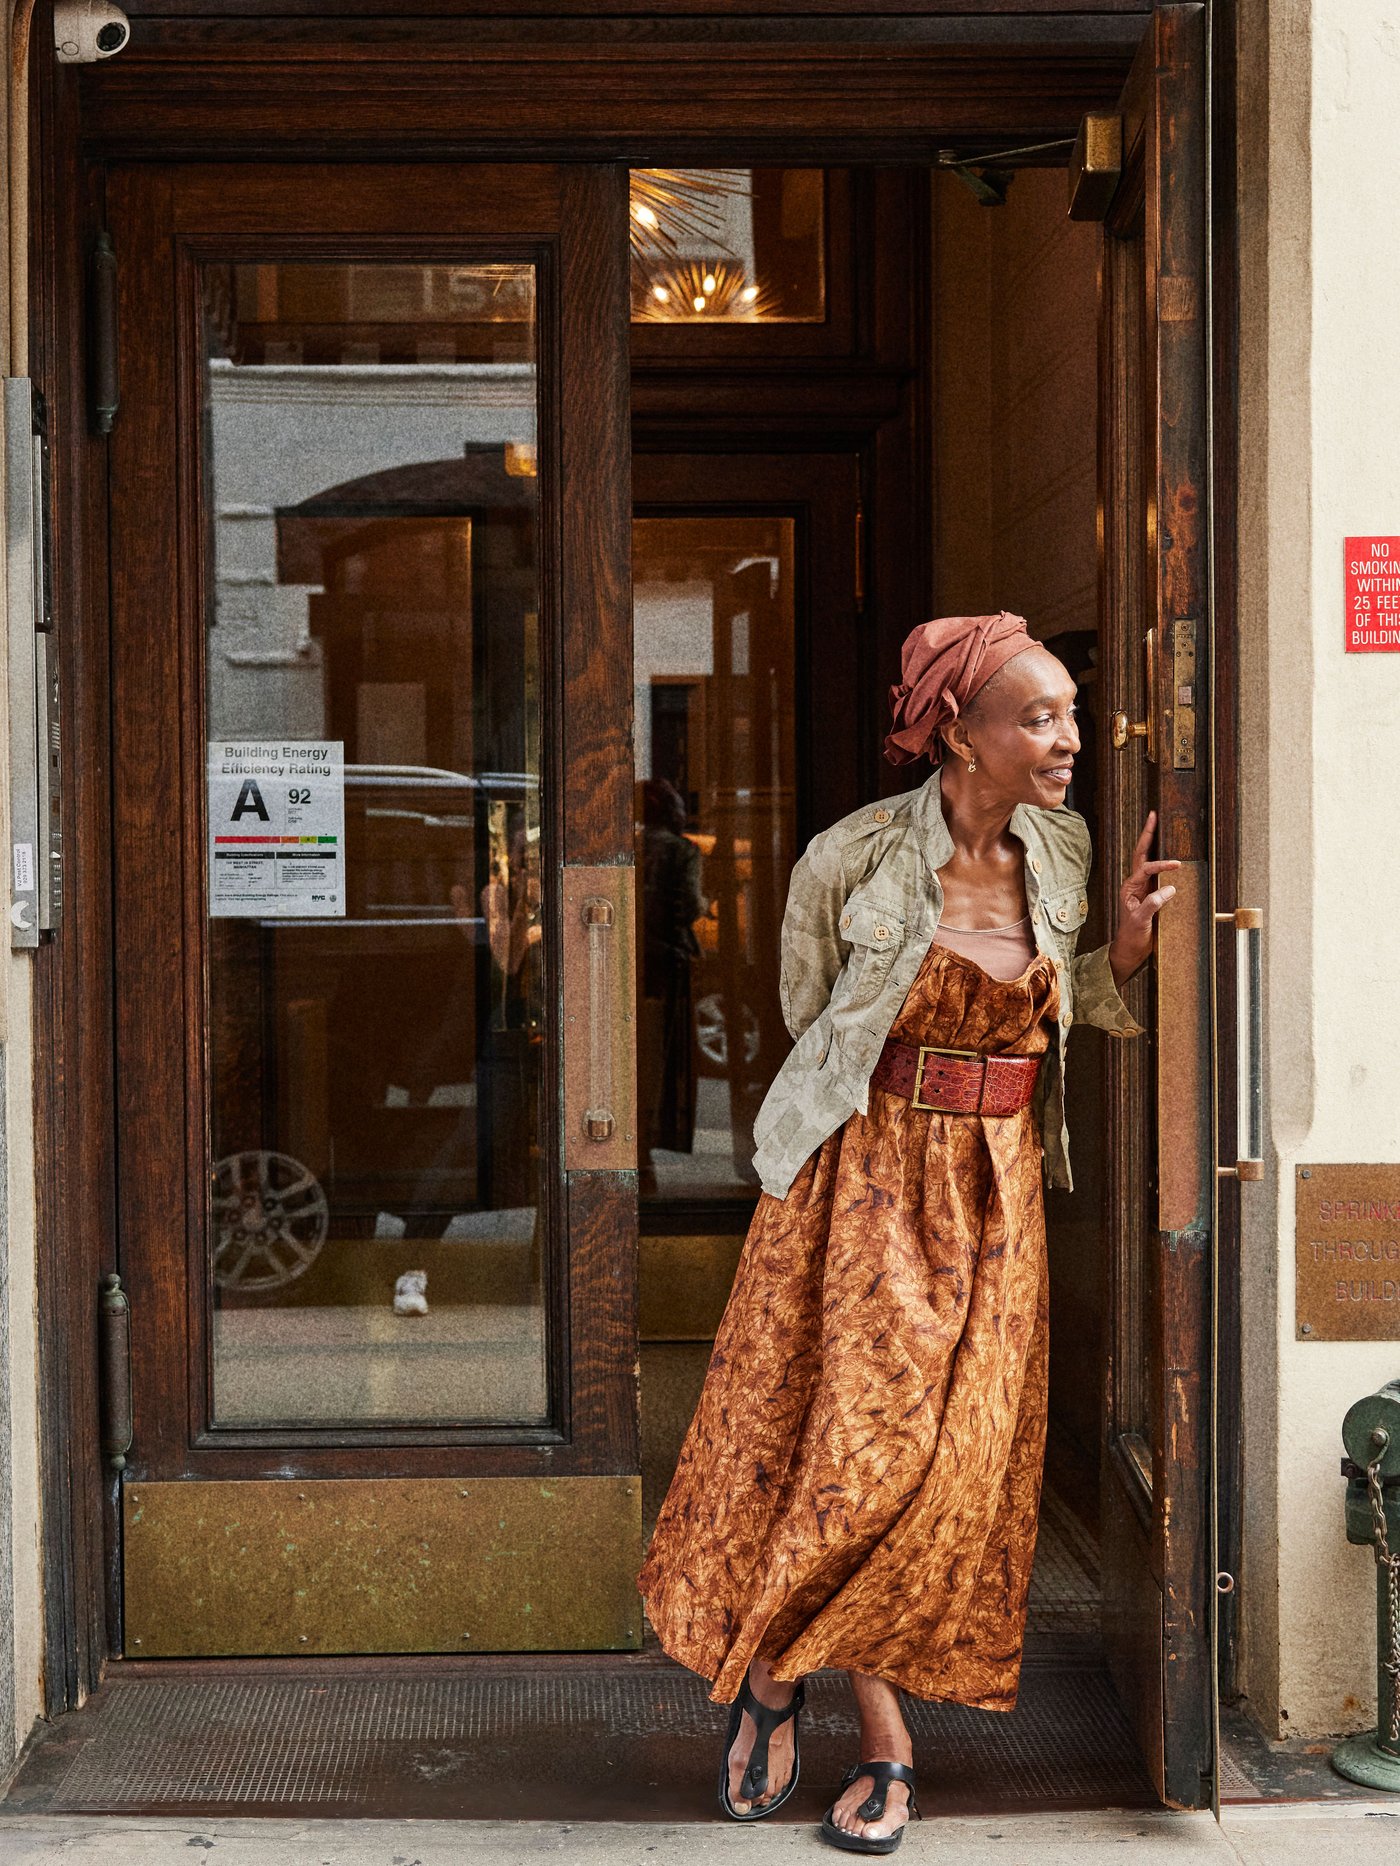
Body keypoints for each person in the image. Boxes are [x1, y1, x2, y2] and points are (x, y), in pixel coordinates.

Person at [635, 611, 1179, 1854]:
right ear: (955, 731)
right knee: (864, 1457)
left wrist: (1127, 955)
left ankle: (777, 1663)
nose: (1068, 740)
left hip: (1003, 1187)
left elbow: (1057, 1009)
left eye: (1067, 715)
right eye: (1037, 718)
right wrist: (872, 1149)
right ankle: (883, 1745)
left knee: (965, 1463)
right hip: (871, 1179)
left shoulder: (1062, 847)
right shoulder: (850, 857)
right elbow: (806, 1017)